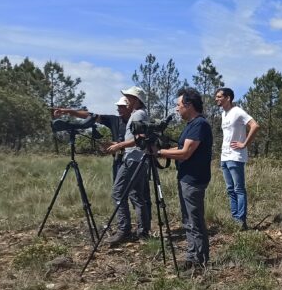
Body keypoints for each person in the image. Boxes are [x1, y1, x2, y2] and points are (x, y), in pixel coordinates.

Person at [157, 88, 214, 271]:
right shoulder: (191, 124)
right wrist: (162, 149)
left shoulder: (200, 124)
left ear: (189, 105)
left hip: (194, 179)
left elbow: (186, 153)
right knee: (188, 220)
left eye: (178, 105)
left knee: (194, 220)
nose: (176, 109)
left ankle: (200, 260)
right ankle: (192, 256)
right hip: (186, 177)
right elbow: (181, 148)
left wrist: (158, 153)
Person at [103, 87, 152, 245]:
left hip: (132, 160)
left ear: (136, 99)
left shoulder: (138, 114)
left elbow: (140, 138)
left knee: (118, 193)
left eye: (129, 98)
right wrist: (120, 144)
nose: (126, 101)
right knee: (137, 196)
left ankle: (123, 230)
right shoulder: (140, 113)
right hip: (138, 159)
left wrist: (120, 146)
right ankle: (143, 232)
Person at [52, 95, 132, 181]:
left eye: (122, 107)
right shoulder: (114, 120)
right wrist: (68, 111)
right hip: (118, 161)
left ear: (129, 107)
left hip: (133, 161)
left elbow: (139, 143)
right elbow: (91, 116)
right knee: (118, 192)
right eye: (118, 107)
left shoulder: (137, 121)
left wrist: (117, 145)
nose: (118, 109)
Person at [214, 88, 259, 231]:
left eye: (219, 97)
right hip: (225, 156)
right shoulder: (223, 114)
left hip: (236, 156)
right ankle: (235, 219)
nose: (217, 99)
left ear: (228, 98)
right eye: (216, 97)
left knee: (239, 189)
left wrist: (244, 143)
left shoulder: (238, 111)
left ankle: (241, 221)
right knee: (230, 189)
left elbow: (255, 125)